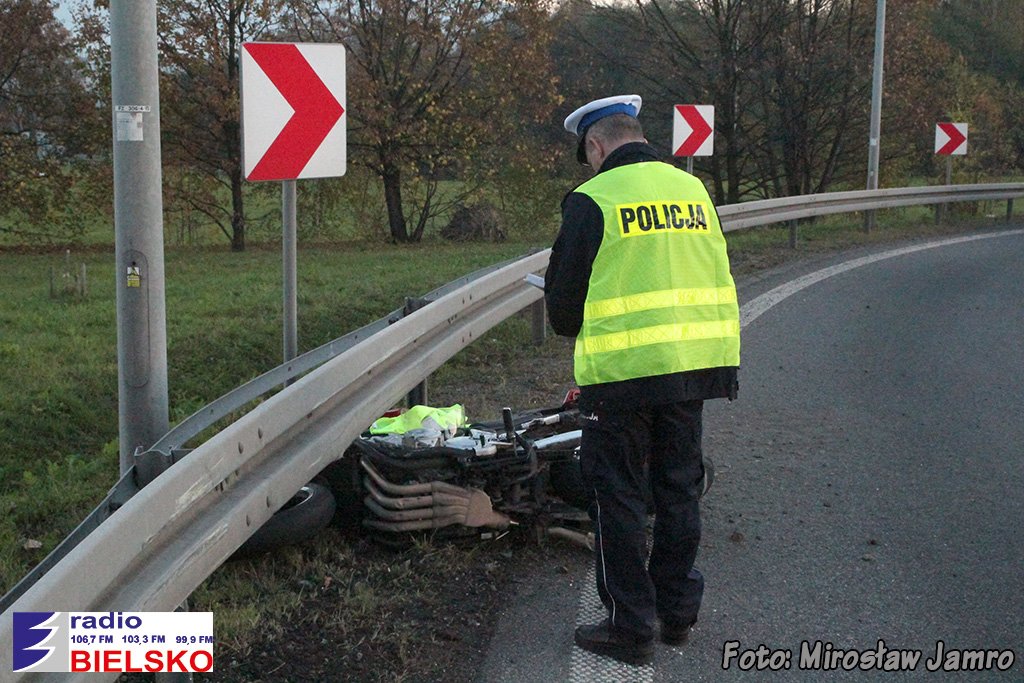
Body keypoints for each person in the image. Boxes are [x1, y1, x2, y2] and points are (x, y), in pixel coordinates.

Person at [544, 94, 740, 666]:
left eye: (587, 154)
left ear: (597, 144)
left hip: (624, 377)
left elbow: (563, 311)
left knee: (620, 495)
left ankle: (631, 626)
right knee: (679, 489)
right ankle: (678, 614)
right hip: (694, 365)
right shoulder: (693, 191)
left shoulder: (593, 199)